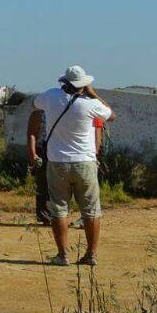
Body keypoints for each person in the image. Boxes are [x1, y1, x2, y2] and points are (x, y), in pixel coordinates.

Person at [27, 66, 114, 266]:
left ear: (64, 82)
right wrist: (93, 94)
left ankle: (62, 255)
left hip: (57, 162)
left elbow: (34, 103)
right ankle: (90, 254)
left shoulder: (50, 96)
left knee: (59, 209)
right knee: (91, 210)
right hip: (85, 162)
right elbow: (111, 115)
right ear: (83, 85)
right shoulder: (90, 104)